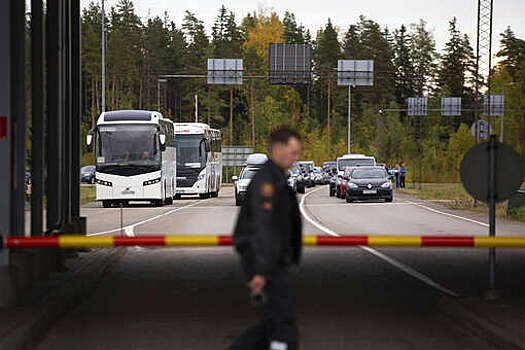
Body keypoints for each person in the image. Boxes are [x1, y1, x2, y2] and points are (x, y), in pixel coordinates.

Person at [228, 126, 303, 350]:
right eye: (293, 152)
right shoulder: (267, 183)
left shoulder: (275, 177)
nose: (296, 158)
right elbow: (263, 228)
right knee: (283, 325)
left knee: (270, 326)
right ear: (278, 149)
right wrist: (261, 271)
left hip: (271, 261)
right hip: (265, 263)